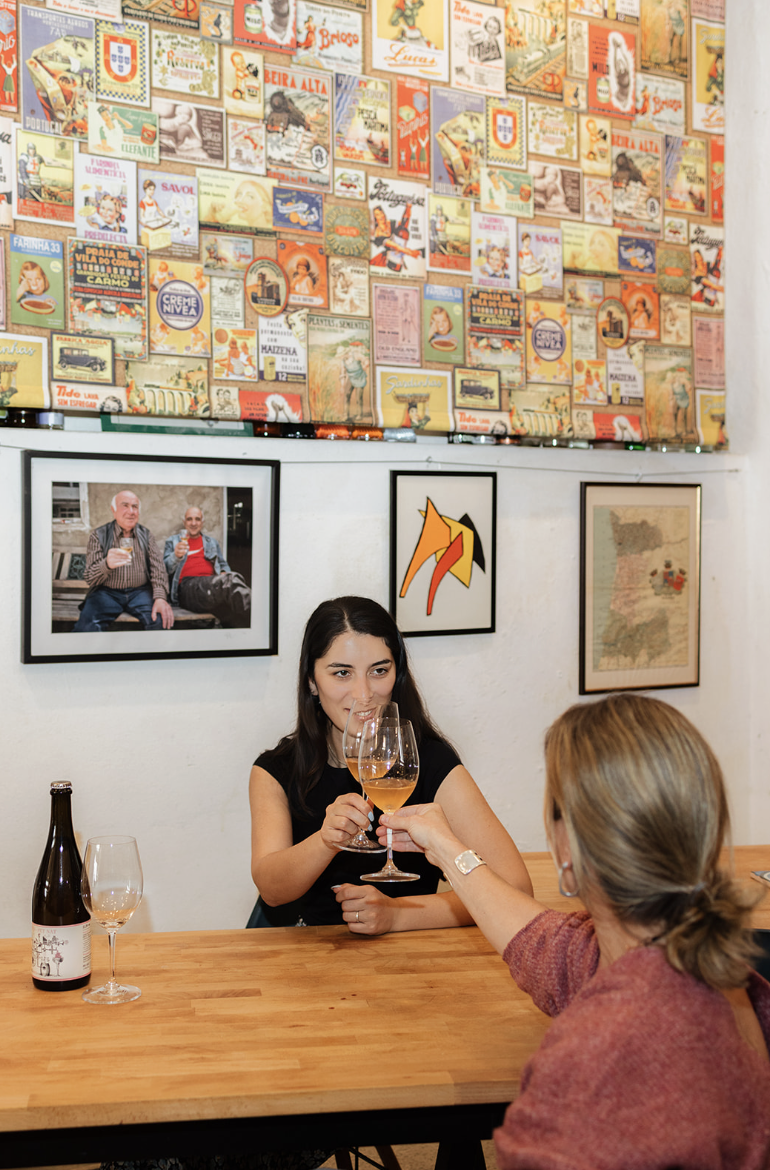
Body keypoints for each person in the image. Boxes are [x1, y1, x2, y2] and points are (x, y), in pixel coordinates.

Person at [382, 694, 770, 1168]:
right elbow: (548, 946)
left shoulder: (594, 1059)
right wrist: (447, 850)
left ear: (569, 846)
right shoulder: (712, 970)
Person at [248, 596, 531, 932]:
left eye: (379, 671)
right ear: (311, 680)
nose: (364, 693)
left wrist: (398, 914)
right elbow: (272, 891)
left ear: (397, 674)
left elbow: (515, 887)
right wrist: (325, 841)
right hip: (304, 953)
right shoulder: (275, 770)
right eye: (342, 673)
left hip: (410, 956)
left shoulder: (429, 761)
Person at [73, 491, 174, 632]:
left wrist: (160, 598)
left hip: (140, 592)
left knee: (160, 621)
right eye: (125, 506)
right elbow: (90, 578)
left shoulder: (146, 535)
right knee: (86, 628)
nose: (131, 511)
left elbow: (158, 568)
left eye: (135, 507)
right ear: (113, 510)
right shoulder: (98, 535)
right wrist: (106, 564)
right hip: (107, 593)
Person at [164, 506, 251, 628]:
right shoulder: (173, 541)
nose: (193, 523)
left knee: (235, 614)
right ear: (184, 522)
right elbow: (165, 569)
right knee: (230, 581)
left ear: (202, 522)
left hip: (211, 588)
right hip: (187, 588)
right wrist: (175, 556)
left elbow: (223, 565)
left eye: (197, 519)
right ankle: (262, 616)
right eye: (189, 519)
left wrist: (224, 572)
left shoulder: (212, 542)